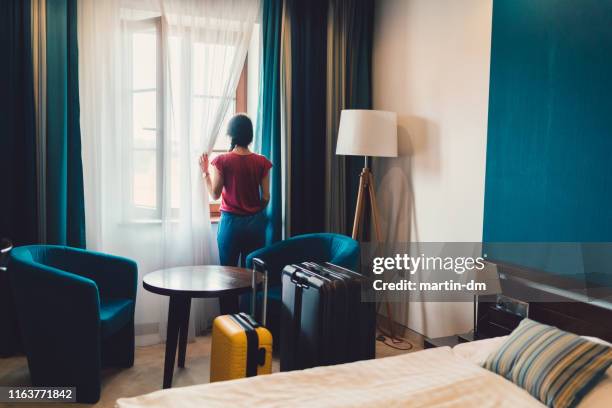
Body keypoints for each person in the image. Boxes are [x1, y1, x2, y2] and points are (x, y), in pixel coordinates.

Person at [199, 113, 272, 269]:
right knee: (252, 276)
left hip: (231, 225)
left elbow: (215, 194)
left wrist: (205, 173)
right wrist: (255, 210)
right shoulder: (262, 162)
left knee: (227, 275)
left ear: (231, 134)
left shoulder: (222, 160)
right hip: (254, 225)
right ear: (250, 135)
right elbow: (266, 197)